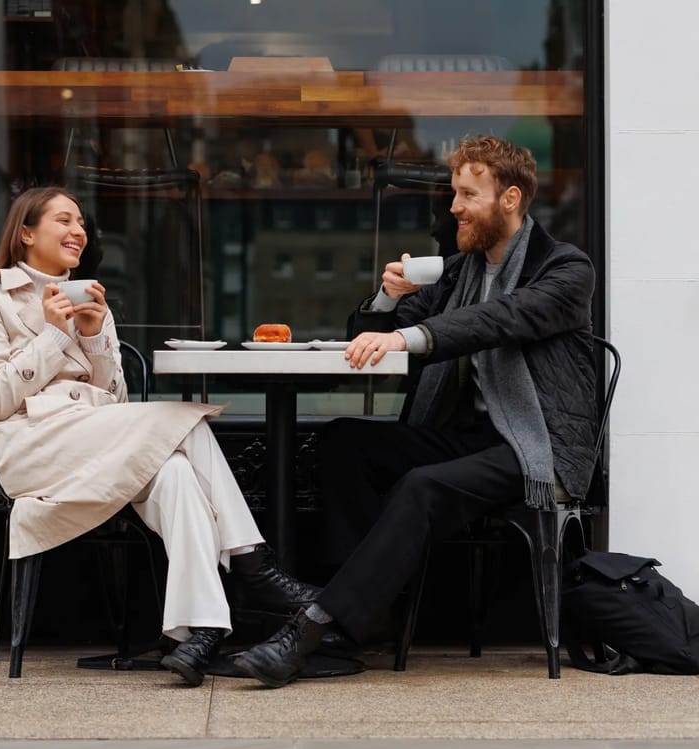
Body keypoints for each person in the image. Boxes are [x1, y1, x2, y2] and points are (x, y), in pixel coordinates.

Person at [234, 135, 597, 687]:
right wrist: (388, 298)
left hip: (536, 445)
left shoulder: (565, 268)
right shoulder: (457, 272)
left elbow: (500, 319)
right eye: (454, 193)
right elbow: (368, 337)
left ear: (510, 198)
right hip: (467, 433)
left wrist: (412, 335)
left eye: (468, 195)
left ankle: (314, 626)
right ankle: (362, 606)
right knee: (345, 442)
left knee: (421, 485)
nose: (453, 208)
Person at [0, 186, 319, 687]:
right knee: (187, 421)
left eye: (80, 222)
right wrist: (54, 334)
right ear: (26, 233)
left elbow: (117, 401)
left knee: (176, 473)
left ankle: (198, 633)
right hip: (34, 449)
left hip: (98, 444)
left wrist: (93, 336)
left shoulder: (89, 299)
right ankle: (252, 565)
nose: (78, 231)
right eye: (63, 220)